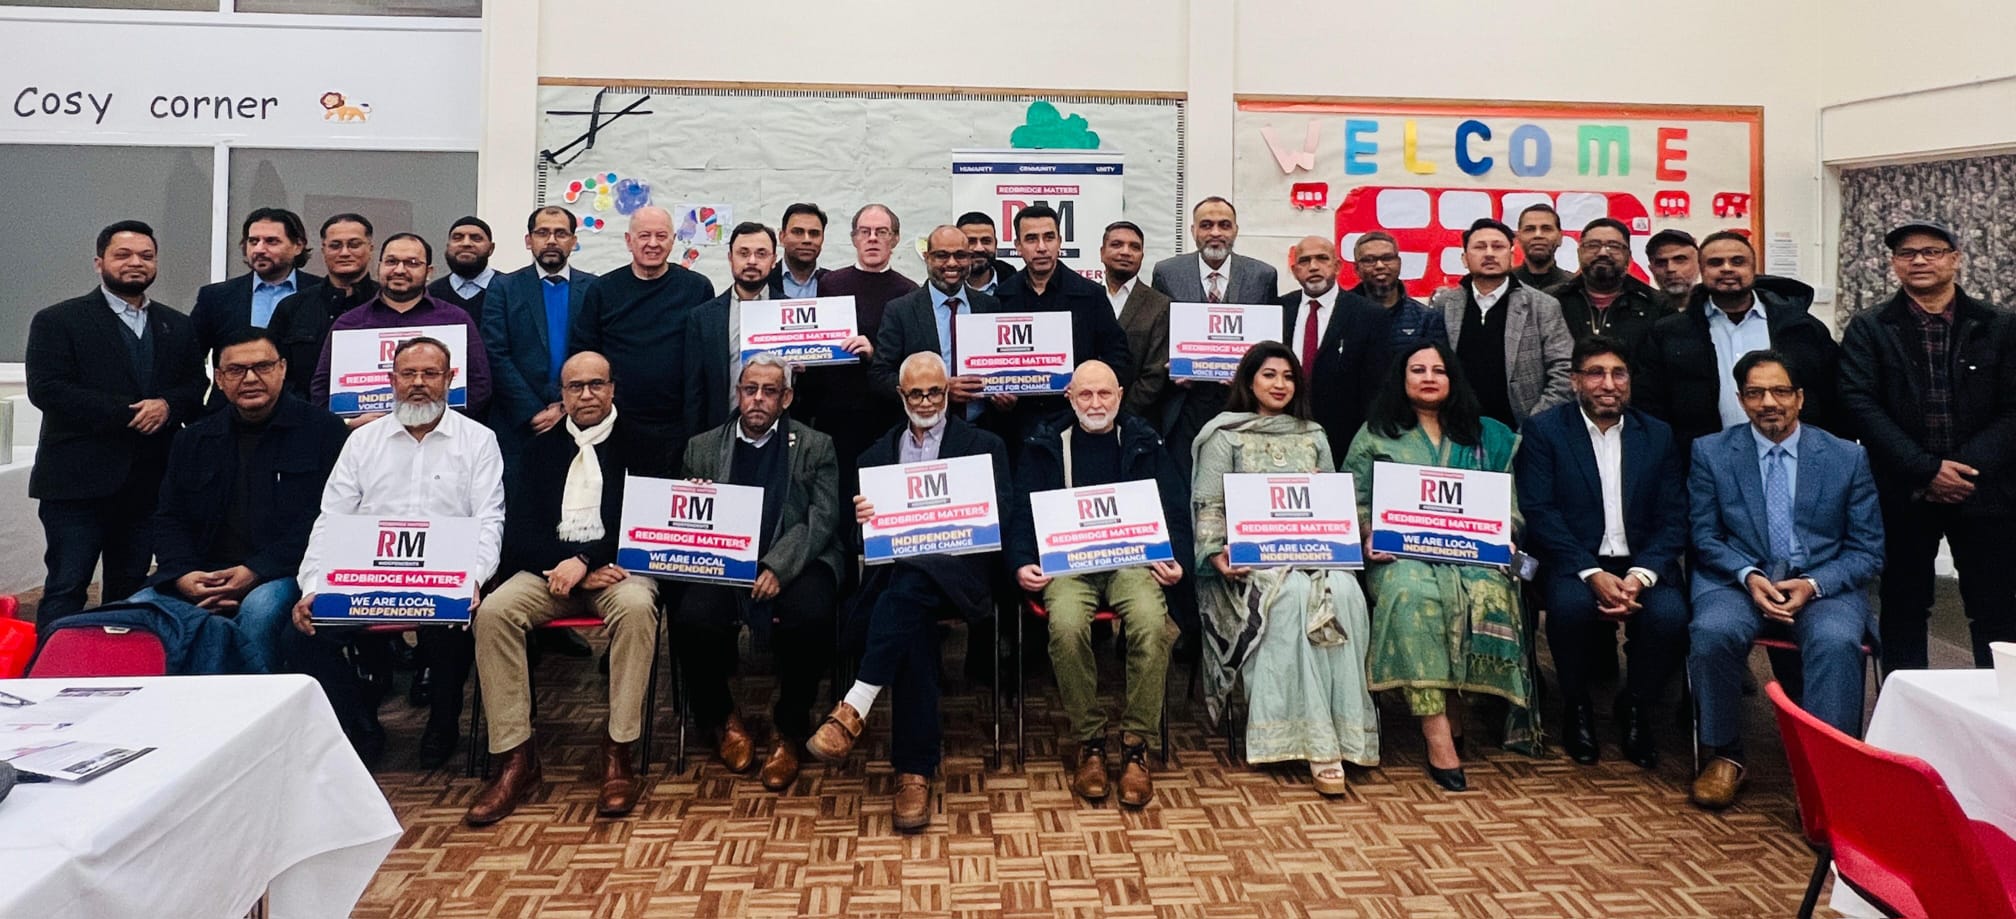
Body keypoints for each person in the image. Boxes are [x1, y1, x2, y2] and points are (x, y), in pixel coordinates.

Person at [806, 352, 1011, 833]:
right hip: (903, 586)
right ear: (901, 396)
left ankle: (856, 703)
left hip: (962, 579)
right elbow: (862, 543)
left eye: (934, 392)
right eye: (915, 393)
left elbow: (998, 520)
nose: (925, 401)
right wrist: (863, 523)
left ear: (947, 393)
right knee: (911, 604)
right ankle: (913, 772)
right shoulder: (874, 458)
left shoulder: (984, 446)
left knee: (912, 586)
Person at [287, 337, 506, 765]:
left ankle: (443, 724)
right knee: (302, 635)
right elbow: (330, 519)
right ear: (391, 381)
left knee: (453, 629)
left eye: (430, 374)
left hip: (442, 581)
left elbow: (489, 520)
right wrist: (311, 586)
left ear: (450, 379)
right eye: (408, 374)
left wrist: (473, 580)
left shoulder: (479, 440)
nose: (419, 383)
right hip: (366, 581)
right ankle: (359, 725)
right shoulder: (361, 442)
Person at [465, 351, 659, 824]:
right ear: (563, 394)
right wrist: (564, 565)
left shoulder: (647, 444)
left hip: (618, 569)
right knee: (493, 613)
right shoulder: (538, 450)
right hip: (548, 571)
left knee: (637, 609)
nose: (587, 394)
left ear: (613, 388)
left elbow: (647, 519)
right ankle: (516, 757)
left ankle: (618, 751)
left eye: (596, 384)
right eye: (576, 387)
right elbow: (519, 533)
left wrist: (587, 561)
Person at [1685, 350, 1882, 810]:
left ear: (1799, 397)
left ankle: (1827, 773)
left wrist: (1811, 585)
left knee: (1836, 641)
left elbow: (1867, 549)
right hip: (1738, 582)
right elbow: (1704, 535)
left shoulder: (1845, 458)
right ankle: (1726, 755)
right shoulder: (1711, 453)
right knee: (1710, 631)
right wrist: (1749, 575)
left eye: (1779, 391)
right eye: (1755, 393)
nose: (1767, 402)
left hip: (1821, 586)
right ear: (1740, 399)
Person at [1342, 340, 1533, 791]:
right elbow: (1354, 497)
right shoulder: (1376, 433)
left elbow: (1508, 507)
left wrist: (1504, 534)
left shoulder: (1486, 436)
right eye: (1418, 369)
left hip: (1470, 556)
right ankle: (1437, 731)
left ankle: (1455, 704)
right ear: (1401, 379)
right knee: (1412, 596)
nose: (1429, 377)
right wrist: (1368, 532)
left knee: (1487, 591)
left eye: (1439, 370)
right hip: (1399, 556)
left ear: (1453, 379)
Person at [1192, 341, 1379, 795]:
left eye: (1288, 376)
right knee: (1292, 597)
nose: (1279, 385)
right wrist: (1216, 553)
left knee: (1347, 594)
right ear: (1249, 381)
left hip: (1315, 555)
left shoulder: (1312, 434)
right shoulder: (1225, 434)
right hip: (1252, 564)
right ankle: (1311, 742)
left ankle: (1347, 733)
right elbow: (1208, 504)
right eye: (1269, 375)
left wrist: (1361, 531)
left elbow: (1337, 503)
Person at [1008, 360, 1188, 807]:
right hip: (1067, 565)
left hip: (1132, 564)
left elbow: (1175, 510)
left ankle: (1135, 744)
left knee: (1150, 622)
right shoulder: (1045, 441)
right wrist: (1020, 563)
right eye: (1085, 395)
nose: (1095, 403)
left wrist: (1178, 560)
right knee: (1066, 627)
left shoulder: (1144, 440)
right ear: (1069, 397)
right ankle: (1090, 740)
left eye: (1104, 394)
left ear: (1121, 396)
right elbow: (1020, 513)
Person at [1840, 220, 2016, 670]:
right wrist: (1925, 470)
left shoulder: (1999, 325)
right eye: (1907, 253)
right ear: (1894, 264)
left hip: (1985, 491)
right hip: (1902, 490)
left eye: (1932, 251)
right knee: (1902, 606)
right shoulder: (1870, 328)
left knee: (1995, 609)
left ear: (1956, 259)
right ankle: (1907, 717)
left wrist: (1963, 469)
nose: (1919, 260)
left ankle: (1999, 716)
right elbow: (1859, 403)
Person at [1514, 336, 1688, 768]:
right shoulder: (1545, 431)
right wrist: (1591, 572)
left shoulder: (1658, 435)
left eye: (1618, 373)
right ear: (1575, 381)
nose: (1608, 383)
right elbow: (1540, 510)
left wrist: (1641, 575)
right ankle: (1577, 707)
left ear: (1630, 381)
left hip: (1642, 562)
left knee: (1670, 616)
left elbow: (1674, 516)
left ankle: (1635, 704)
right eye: (1595, 373)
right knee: (1569, 609)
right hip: (1574, 560)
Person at [677, 353, 846, 792]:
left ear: (786, 398)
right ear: (738, 392)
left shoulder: (816, 445)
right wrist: (695, 501)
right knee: (691, 615)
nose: (757, 399)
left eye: (769, 391)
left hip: (796, 559)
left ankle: (789, 729)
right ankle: (722, 720)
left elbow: (822, 519)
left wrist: (777, 566)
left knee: (812, 613)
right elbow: (684, 525)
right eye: (750, 389)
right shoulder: (702, 447)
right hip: (724, 563)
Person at [134, 329, 348, 673]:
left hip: (281, 573)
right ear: (219, 379)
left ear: (282, 369)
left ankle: (256, 714)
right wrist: (185, 576)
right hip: (200, 573)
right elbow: (169, 517)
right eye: (236, 370)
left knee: (260, 612)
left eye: (262, 366)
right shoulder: (194, 438)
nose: (250, 378)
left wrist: (255, 571)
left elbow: (327, 519)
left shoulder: (325, 431)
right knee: (139, 612)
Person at [25, 220, 207, 622]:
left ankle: (121, 675)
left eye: (146, 255)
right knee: (67, 587)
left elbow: (196, 385)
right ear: (99, 262)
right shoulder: (58, 320)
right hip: (76, 485)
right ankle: (50, 674)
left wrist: (166, 405)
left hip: (147, 485)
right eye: (122, 255)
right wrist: (131, 413)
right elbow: (48, 389)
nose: (135, 263)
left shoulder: (176, 324)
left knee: (130, 593)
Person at [1637, 231, 1840, 454]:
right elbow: (1652, 405)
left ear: (1754, 269)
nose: (1727, 268)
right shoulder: (1669, 333)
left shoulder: (1801, 327)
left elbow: (1832, 396)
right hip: (1704, 463)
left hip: (1795, 457)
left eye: (1737, 261)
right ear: (1702, 271)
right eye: (1715, 263)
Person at [569, 205, 717, 476]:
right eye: (644, 236)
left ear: (673, 240)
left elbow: (709, 354)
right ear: (629, 241)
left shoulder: (697, 288)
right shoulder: (602, 290)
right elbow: (583, 353)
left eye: (661, 236)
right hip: (616, 425)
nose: (653, 244)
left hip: (679, 425)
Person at [1150, 197, 1279, 471]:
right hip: (1185, 400)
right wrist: (1171, 366)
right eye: (1206, 225)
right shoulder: (1167, 273)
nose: (1216, 233)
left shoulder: (1262, 275)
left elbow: (1269, 345)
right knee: (1184, 480)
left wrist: (1249, 376)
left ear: (1236, 230)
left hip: (1241, 402)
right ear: (1193, 230)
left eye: (1224, 225)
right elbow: (1160, 333)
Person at [309, 232, 493, 423]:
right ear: (379, 266)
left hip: (441, 440)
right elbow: (321, 388)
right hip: (367, 442)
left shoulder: (455, 319)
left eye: (412, 263)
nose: (399, 270)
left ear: (429, 272)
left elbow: (480, 384)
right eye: (391, 261)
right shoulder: (349, 324)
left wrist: (438, 422)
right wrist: (346, 424)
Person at [993, 204, 1134, 444]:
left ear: (1060, 241)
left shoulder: (1090, 296)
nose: (1041, 247)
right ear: (1017, 247)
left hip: (1076, 424)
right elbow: (992, 365)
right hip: (1017, 427)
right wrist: (998, 394)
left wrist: (1087, 385)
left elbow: (1119, 357)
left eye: (1049, 237)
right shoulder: (1001, 298)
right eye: (1031, 239)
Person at [794, 204, 908, 496]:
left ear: (894, 239)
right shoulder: (831, 284)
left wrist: (874, 352)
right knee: (838, 494)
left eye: (881, 232)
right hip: (835, 414)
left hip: (885, 415)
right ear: (854, 238)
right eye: (865, 232)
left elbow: (910, 360)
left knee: (881, 493)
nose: (872, 238)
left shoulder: (909, 292)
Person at [480, 205, 597, 484]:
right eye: (543, 233)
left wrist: (566, 406)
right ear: (528, 240)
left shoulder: (595, 288)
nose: (552, 240)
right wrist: (532, 410)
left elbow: (598, 351)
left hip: (579, 420)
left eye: (561, 233)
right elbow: (495, 353)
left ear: (574, 241)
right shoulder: (504, 288)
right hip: (518, 424)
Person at [1429, 218, 1574, 430]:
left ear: (1512, 255)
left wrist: (1534, 424)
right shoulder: (1446, 304)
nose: (1489, 253)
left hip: (1521, 430)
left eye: (1498, 247)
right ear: (1464, 258)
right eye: (1480, 247)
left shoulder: (1542, 305)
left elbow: (1564, 370)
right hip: (1455, 429)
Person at [870, 225, 998, 422]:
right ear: (927, 257)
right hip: (923, 428)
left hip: (983, 428)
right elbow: (881, 376)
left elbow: (1000, 367)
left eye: (960, 255)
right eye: (942, 255)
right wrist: (939, 388)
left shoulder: (990, 306)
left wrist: (1006, 394)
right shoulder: (901, 311)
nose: (952, 263)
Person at [1280, 235, 1389, 457]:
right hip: (1283, 435)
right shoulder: (1278, 309)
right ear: (1294, 270)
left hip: (1344, 440)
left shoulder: (1368, 315)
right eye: (1304, 261)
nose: (1313, 267)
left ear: (1337, 266)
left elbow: (1375, 389)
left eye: (1322, 258)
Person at [190, 207, 321, 367]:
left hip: (299, 391)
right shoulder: (216, 297)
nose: (259, 249)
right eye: (253, 241)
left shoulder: (321, 293)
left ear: (298, 246)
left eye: (271, 241)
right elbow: (188, 361)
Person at [268, 213, 377, 399]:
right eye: (335, 245)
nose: (344, 252)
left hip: (377, 419)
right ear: (324, 250)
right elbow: (272, 371)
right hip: (305, 420)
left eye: (354, 244)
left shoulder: (388, 302)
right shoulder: (292, 308)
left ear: (371, 249)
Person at [1551, 219, 1665, 360]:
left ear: (1629, 257)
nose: (1603, 253)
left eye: (1614, 246)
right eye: (1593, 245)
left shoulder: (1657, 305)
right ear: (1579, 253)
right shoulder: (1553, 301)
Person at [1347, 231, 1447, 370]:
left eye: (1387, 258)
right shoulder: (1342, 313)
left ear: (1399, 263)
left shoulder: (1426, 318)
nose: (1380, 265)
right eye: (1369, 260)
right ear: (1357, 268)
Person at [1102, 221, 1171, 423]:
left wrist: (1121, 416)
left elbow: (1155, 374)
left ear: (1142, 256)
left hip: (1136, 420)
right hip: (1084, 415)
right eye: (1116, 245)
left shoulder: (1159, 304)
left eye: (1134, 247)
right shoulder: (1087, 296)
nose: (1126, 252)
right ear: (1101, 252)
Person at [429, 216, 497, 312]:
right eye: (457, 238)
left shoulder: (510, 290)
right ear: (448, 247)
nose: (466, 243)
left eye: (476, 238)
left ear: (491, 248)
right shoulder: (431, 294)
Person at [770, 202, 829, 298]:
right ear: (782, 237)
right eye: (798, 232)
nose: (807, 240)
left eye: (814, 233)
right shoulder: (764, 282)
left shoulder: (837, 284)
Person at [1511, 203, 1574, 292]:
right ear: (1518, 238)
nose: (1538, 235)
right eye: (1530, 229)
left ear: (1560, 238)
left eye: (1546, 229)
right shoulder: (1503, 284)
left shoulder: (1574, 287)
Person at [1646, 229, 1700, 315]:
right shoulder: (1639, 315)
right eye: (1661, 263)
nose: (1670, 269)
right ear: (1651, 269)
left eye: (1680, 260)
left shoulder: (1721, 309)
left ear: (1699, 264)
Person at [957, 211, 1011, 295]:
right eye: (971, 241)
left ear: (995, 244)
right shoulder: (943, 288)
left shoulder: (1017, 286)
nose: (979, 248)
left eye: (986, 241)